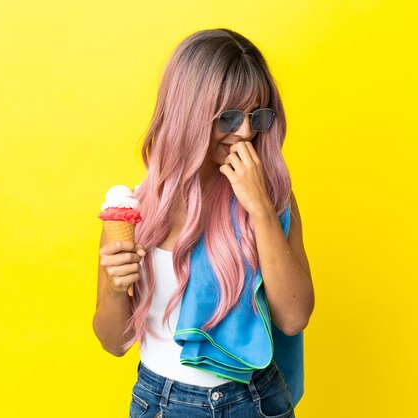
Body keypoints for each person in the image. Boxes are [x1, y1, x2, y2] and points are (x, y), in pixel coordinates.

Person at [93, 28, 314, 418]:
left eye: (256, 116)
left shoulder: (272, 196)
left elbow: (294, 317)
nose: (245, 132)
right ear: (188, 113)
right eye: (228, 117)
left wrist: (260, 208)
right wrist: (114, 288)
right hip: (161, 403)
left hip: (255, 401)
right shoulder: (135, 211)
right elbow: (114, 343)